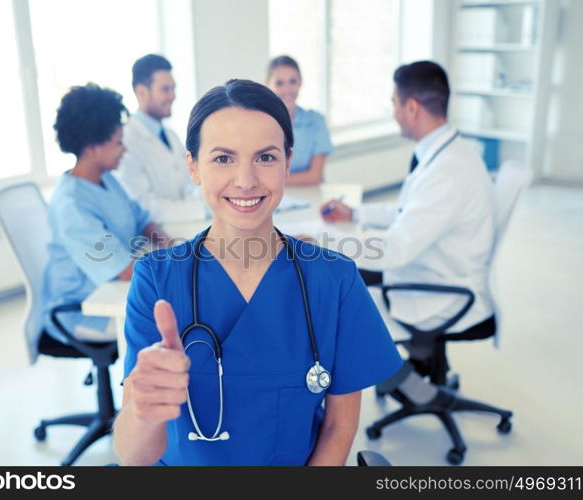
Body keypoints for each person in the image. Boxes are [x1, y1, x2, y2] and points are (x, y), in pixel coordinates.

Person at [113, 79, 402, 466]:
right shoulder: (157, 280)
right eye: (223, 158)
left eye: (265, 157)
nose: (246, 180)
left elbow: (339, 426)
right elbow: (134, 457)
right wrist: (144, 410)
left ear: (287, 161)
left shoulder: (335, 280)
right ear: (193, 167)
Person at [321, 61, 496, 333]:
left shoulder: (447, 173)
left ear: (412, 107)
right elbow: (408, 211)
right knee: (345, 274)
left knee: (332, 303)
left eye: (394, 104)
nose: (394, 114)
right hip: (427, 267)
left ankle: (404, 378)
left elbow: (394, 250)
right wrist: (356, 214)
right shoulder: (450, 153)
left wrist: (325, 244)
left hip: (439, 292)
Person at [43, 83, 170, 344]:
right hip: (87, 310)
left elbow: (141, 218)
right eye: (118, 142)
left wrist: (167, 244)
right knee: (178, 322)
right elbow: (123, 270)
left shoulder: (105, 179)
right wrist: (180, 268)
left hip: (117, 292)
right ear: (91, 148)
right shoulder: (72, 205)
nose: (124, 149)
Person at [115, 54, 202, 221]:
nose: (173, 96)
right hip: (155, 240)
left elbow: (192, 181)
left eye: (173, 88)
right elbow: (143, 206)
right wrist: (199, 209)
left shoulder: (172, 136)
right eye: (165, 89)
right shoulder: (126, 141)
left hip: (187, 228)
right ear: (141, 92)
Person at [266, 55, 332, 186]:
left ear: (300, 82)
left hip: (310, 194)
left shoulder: (316, 121)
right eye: (280, 83)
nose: (287, 89)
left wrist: (273, 182)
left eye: (293, 81)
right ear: (267, 85)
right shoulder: (260, 124)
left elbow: (314, 176)